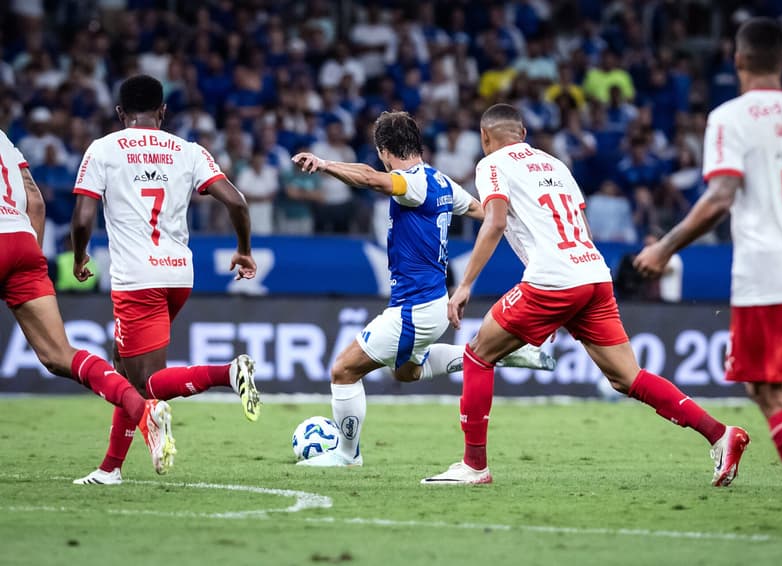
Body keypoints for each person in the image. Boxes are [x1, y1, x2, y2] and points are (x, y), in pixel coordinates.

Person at [421, 103, 749, 490]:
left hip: (554, 280)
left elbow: (494, 221)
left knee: (477, 354)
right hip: (592, 273)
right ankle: (719, 434)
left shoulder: (491, 165)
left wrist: (464, 286)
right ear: (524, 134)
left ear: (485, 138)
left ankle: (474, 466)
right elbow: (582, 224)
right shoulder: (557, 165)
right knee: (628, 377)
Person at [635, 18, 782, 543]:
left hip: (765, 271)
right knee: (772, 386)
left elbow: (720, 197)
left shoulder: (730, 117)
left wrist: (664, 247)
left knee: (768, 392)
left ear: (737, 61)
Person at [291, 111, 555, 467]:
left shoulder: (411, 182)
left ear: (384, 150)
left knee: (343, 370)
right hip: (431, 303)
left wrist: (323, 164)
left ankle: (346, 454)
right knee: (406, 372)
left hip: (413, 308)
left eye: (381, 155)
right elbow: (481, 210)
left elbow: (371, 180)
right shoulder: (441, 181)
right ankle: (501, 353)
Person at [70, 74, 261, 485]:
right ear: (163, 111)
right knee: (126, 371)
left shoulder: (103, 149)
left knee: (143, 383)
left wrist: (80, 254)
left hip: (136, 278)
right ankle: (110, 469)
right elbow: (237, 201)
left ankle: (226, 372)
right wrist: (244, 249)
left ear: (120, 113)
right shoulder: (189, 151)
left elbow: (83, 217)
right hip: (178, 273)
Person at [0, 128, 175, 476]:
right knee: (58, 356)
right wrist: (28, 257)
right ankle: (142, 411)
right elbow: (35, 200)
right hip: (21, 241)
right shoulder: (4, 138)